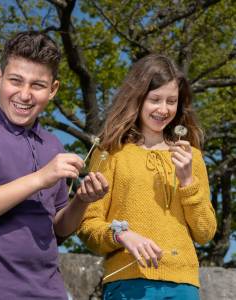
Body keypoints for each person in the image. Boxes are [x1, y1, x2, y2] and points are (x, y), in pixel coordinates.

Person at [0, 31, 108, 300]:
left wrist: (82, 201)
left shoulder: (53, 145)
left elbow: (59, 230)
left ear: (53, 90)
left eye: (38, 85)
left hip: (49, 292)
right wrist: (41, 177)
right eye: (16, 81)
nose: (25, 94)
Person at [77, 54, 217, 300]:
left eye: (171, 101)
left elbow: (205, 233)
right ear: (138, 99)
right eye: (155, 100)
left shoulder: (191, 156)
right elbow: (88, 226)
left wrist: (187, 181)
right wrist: (121, 234)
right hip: (127, 283)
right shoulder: (109, 152)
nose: (164, 109)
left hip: (184, 286)